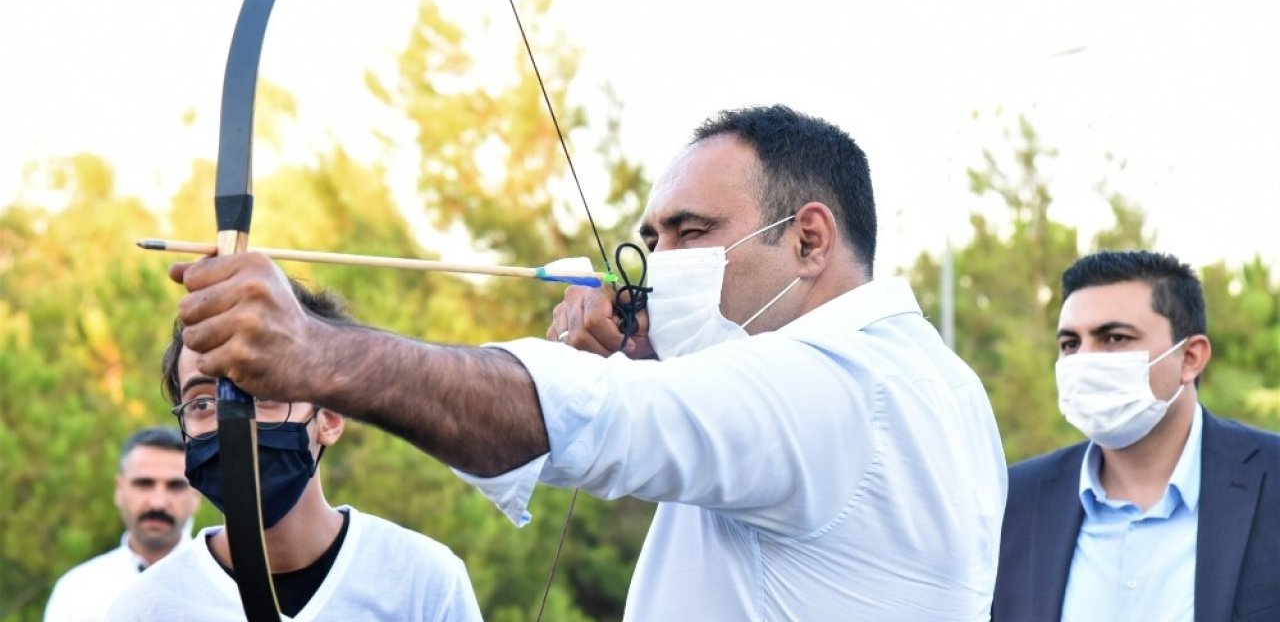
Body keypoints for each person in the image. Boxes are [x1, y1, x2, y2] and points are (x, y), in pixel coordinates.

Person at [169, 105, 1007, 620]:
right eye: (650, 241)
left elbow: (586, 421)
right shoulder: (930, 378)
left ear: (809, 239)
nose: (654, 261)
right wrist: (632, 358)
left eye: (690, 232)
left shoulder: (835, 385)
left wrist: (316, 353)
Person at [108, 281, 482, 621]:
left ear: (330, 417)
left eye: (266, 393)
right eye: (203, 404)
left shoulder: (422, 582)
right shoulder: (146, 609)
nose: (234, 425)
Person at [993, 250, 1280, 621]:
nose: (1084, 361)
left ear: (1191, 357)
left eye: (1114, 338)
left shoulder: (1272, 480)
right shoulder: (1015, 501)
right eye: (1070, 344)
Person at [44, 426, 201, 622]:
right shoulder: (77, 591)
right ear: (119, 490)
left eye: (175, 486)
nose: (158, 502)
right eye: (144, 484)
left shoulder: (230, 587)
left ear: (197, 495)